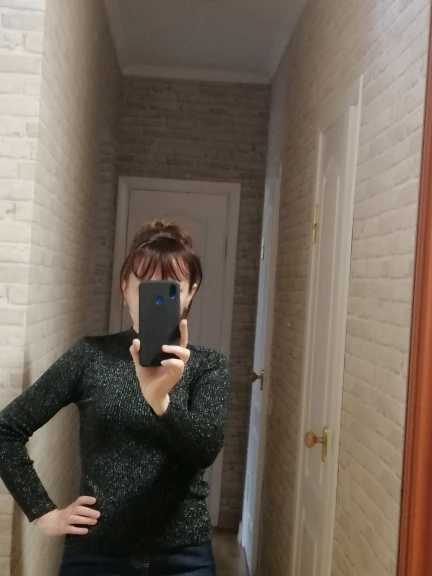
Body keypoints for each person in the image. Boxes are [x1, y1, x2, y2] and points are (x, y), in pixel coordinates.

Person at [0, 219, 231, 576]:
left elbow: (204, 450)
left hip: (183, 558)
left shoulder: (207, 366)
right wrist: (43, 513)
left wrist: (162, 403)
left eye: (169, 288)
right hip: (95, 556)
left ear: (190, 293)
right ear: (125, 288)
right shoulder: (90, 356)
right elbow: (7, 430)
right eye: (145, 286)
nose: (155, 298)